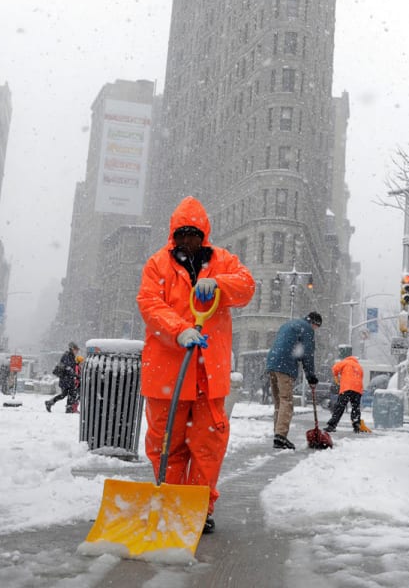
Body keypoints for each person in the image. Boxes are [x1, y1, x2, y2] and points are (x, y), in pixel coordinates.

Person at [137, 196, 255, 536]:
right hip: (167, 376)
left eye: (194, 234)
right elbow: (149, 304)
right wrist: (180, 330)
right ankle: (171, 503)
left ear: (204, 234)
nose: (188, 240)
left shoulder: (223, 261)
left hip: (208, 377)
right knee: (165, 445)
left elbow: (246, 287)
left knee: (207, 447)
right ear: (174, 234)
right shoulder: (157, 265)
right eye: (182, 234)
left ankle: (197, 508)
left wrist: (219, 284)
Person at [266, 311, 321, 450]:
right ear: (314, 323)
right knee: (286, 401)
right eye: (316, 328)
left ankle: (278, 433)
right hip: (285, 365)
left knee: (279, 401)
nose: (315, 330)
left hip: (272, 363)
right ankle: (280, 436)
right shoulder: (307, 329)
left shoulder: (289, 324)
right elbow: (307, 353)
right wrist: (311, 376)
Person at [325, 352, 364, 433]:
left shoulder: (346, 362)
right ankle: (356, 425)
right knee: (355, 408)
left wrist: (336, 377)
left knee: (340, 407)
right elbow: (361, 377)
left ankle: (332, 425)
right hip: (357, 389)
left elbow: (335, 368)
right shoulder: (359, 366)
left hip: (347, 387)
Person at [45, 343, 81, 413]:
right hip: (66, 379)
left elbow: (71, 367)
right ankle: (51, 403)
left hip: (69, 379)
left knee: (70, 394)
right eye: (76, 350)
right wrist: (76, 375)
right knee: (66, 394)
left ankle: (68, 408)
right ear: (72, 349)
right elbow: (67, 367)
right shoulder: (67, 356)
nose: (77, 351)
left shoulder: (71, 356)